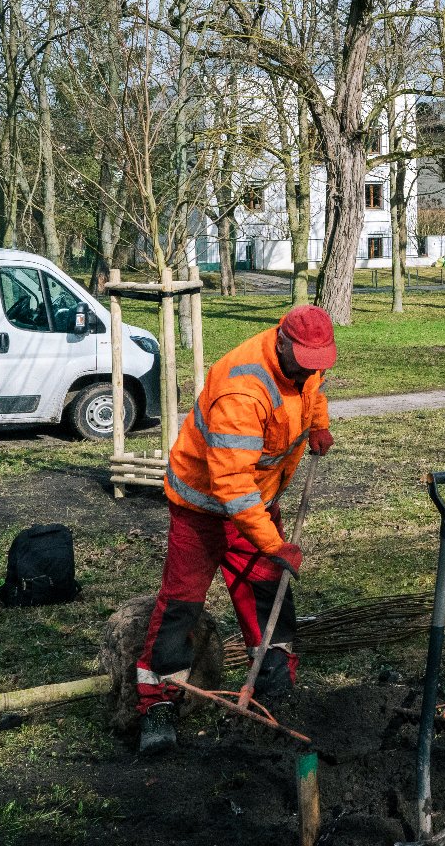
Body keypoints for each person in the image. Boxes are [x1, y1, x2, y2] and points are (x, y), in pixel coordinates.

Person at [133, 306, 338, 755]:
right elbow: (231, 485)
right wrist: (273, 544)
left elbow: (311, 390)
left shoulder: (304, 365)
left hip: (256, 505)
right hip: (204, 509)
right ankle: (158, 704)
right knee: (180, 607)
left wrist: (318, 425)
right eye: (305, 360)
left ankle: (275, 686)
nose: (311, 369)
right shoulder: (242, 388)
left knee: (268, 597)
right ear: (281, 340)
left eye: (318, 362)